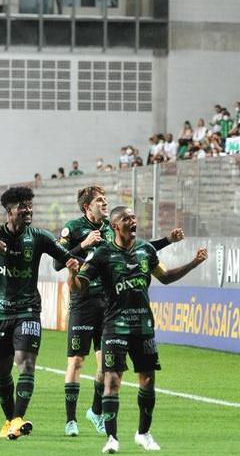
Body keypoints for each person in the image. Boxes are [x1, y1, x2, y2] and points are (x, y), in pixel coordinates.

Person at [74, 206, 207, 454]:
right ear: (115, 225)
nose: (133, 221)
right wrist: (73, 274)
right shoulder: (101, 253)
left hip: (144, 326)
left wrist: (193, 263)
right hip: (114, 327)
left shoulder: (146, 250)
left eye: (134, 217)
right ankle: (112, 438)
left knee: (147, 380)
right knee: (112, 381)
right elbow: (80, 286)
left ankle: (143, 434)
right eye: (127, 219)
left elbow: (165, 276)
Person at [54, 186, 181, 437]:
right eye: (99, 200)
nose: (104, 202)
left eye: (105, 200)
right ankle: (71, 420)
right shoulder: (73, 227)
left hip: (110, 303)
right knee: (77, 361)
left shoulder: (112, 230)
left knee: (105, 367)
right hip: (83, 300)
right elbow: (58, 262)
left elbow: (142, 248)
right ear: (86, 207)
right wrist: (83, 244)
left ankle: (95, 411)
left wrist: (167, 240)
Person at [0, 186, 79, 440]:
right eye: (22, 206)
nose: (28, 210)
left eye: (30, 205)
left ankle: (18, 419)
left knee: (26, 363)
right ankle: (10, 421)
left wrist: (74, 259)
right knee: (1, 372)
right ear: (9, 210)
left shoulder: (39, 236)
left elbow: (63, 258)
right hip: (0, 314)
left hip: (28, 310)